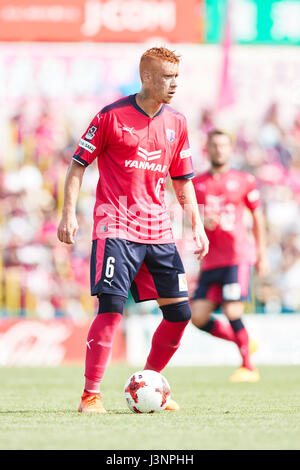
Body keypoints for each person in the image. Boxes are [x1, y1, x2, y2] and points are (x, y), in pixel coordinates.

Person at [57, 47, 209, 413]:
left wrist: (197, 225)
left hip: (158, 232)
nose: (174, 84)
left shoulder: (178, 122)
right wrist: (68, 214)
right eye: (166, 77)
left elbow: (182, 180)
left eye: (176, 77)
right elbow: (78, 166)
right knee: (110, 310)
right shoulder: (111, 116)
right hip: (116, 228)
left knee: (179, 315)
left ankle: (149, 383)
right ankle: (90, 396)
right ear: (146, 78)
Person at [191, 129, 269, 382]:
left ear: (230, 149)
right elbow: (187, 218)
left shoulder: (243, 180)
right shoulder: (196, 183)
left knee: (232, 310)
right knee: (198, 317)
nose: (219, 150)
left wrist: (262, 253)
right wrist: (201, 220)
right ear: (207, 148)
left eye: (223, 145)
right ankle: (244, 341)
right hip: (210, 260)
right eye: (214, 145)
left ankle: (248, 366)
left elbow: (257, 217)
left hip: (237, 257)